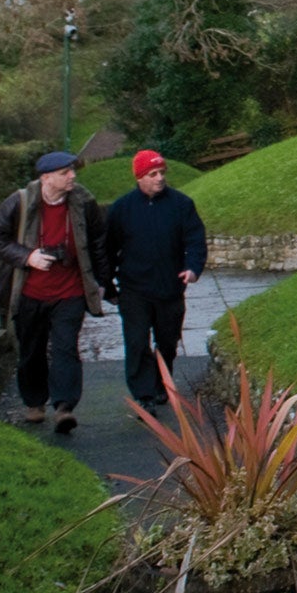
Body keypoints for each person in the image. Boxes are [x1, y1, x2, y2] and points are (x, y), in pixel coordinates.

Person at [0, 149, 111, 435]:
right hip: (29, 291)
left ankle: (64, 408)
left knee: (66, 347)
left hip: (70, 290)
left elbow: (98, 241)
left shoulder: (83, 202)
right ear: (46, 178)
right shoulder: (20, 201)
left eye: (72, 171)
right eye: (65, 173)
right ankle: (34, 402)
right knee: (31, 349)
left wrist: (102, 282)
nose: (72, 177)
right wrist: (28, 257)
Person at [103, 149, 208, 414]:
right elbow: (107, 248)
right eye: (152, 174)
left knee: (168, 340)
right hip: (134, 288)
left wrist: (193, 268)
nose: (159, 178)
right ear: (139, 178)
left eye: (162, 173)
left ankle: (162, 382)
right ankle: (144, 394)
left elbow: (195, 240)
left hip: (169, 287)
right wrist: (108, 284)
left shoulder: (181, 205)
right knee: (137, 341)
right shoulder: (122, 208)